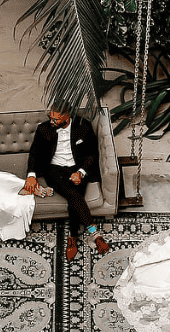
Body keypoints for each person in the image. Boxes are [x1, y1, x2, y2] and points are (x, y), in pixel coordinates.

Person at [22, 107, 110, 262]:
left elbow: (92, 153)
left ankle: (73, 237)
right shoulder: (43, 129)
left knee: (74, 198)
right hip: (54, 170)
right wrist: (31, 175)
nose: (52, 121)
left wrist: (81, 173)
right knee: (73, 194)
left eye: (56, 119)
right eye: (51, 117)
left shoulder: (83, 126)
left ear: (67, 116)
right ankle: (95, 235)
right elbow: (34, 153)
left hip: (77, 168)